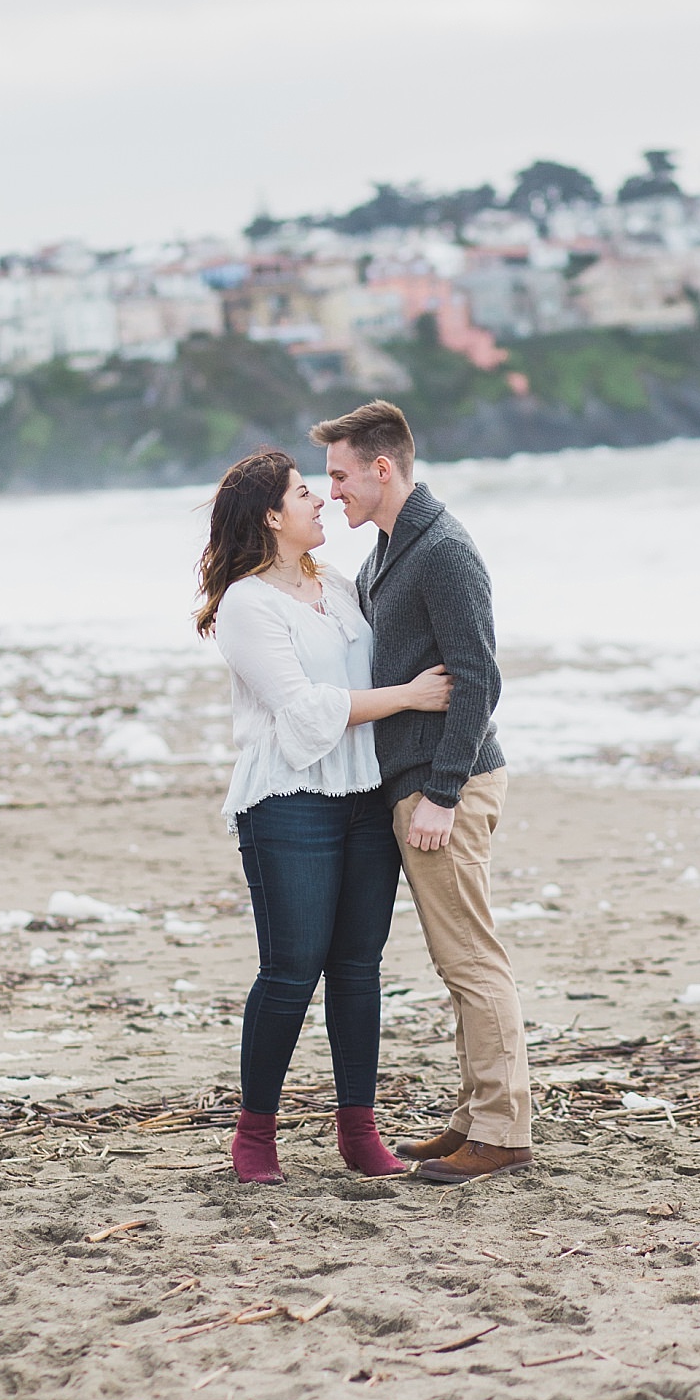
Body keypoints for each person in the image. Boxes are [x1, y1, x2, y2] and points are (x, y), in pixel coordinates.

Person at [195, 448, 453, 1186]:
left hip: (364, 795)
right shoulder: (248, 602)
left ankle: (359, 1130)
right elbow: (305, 714)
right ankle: (255, 1135)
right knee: (290, 969)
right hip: (287, 802)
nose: (322, 501)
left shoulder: (337, 586)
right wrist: (409, 696)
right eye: (305, 492)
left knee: (357, 968)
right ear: (272, 516)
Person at [309, 401, 533, 1184]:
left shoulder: (442, 550)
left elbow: (478, 678)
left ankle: (504, 1132)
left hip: (452, 782)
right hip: (419, 781)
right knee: (456, 959)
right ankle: (477, 1116)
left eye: (339, 476)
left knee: (472, 957)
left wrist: (441, 793)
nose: (330, 490)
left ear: (381, 468)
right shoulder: (386, 551)